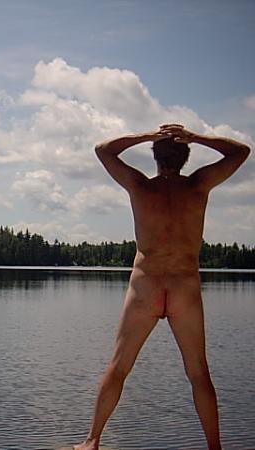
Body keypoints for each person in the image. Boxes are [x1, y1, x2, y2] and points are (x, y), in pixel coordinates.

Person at [74, 123, 250, 450]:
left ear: (155, 156)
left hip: (146, 285)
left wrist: (146, 136)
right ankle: (215, 447)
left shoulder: (140, 186)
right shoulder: (198, 185)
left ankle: (92, 441)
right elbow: (241, 151)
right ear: (185, 157)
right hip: (185, 287)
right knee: (198, 372)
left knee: (119, 367)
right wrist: (197, 137)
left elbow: (103, 150)